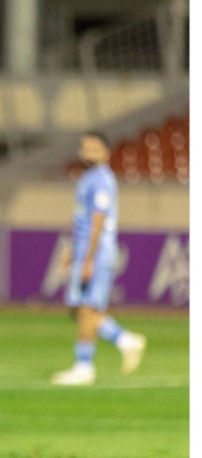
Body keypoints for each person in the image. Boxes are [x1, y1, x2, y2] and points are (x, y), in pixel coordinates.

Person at [52, 132, 146, 386]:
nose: (88, 152)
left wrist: (89, 259)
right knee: (77, 308)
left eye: (94, 148)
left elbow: (98, 221)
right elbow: (83, 221)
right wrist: (74, 250)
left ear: (106, 153)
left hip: (98, 253)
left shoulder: (102, 179)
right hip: (85, 251)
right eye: (85, 147)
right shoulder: (88, 178)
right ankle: (126, 340)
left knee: (86, 309)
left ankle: (84, 367)